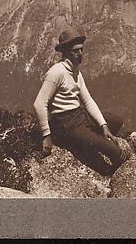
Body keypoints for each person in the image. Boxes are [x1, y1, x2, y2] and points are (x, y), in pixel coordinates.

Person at [33, 28, 129, 173]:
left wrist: (103, 126)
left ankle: (89, 138)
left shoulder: (76, 70)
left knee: (116, 121)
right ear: (65, 52)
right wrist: (46, 135)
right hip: (66, 124)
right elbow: (39, 103)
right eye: (75, 51)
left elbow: (88, 100)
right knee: (112, 150)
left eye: (81, 50)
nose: (80, 54)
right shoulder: (56, 72)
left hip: (80, 116)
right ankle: (111, 161)